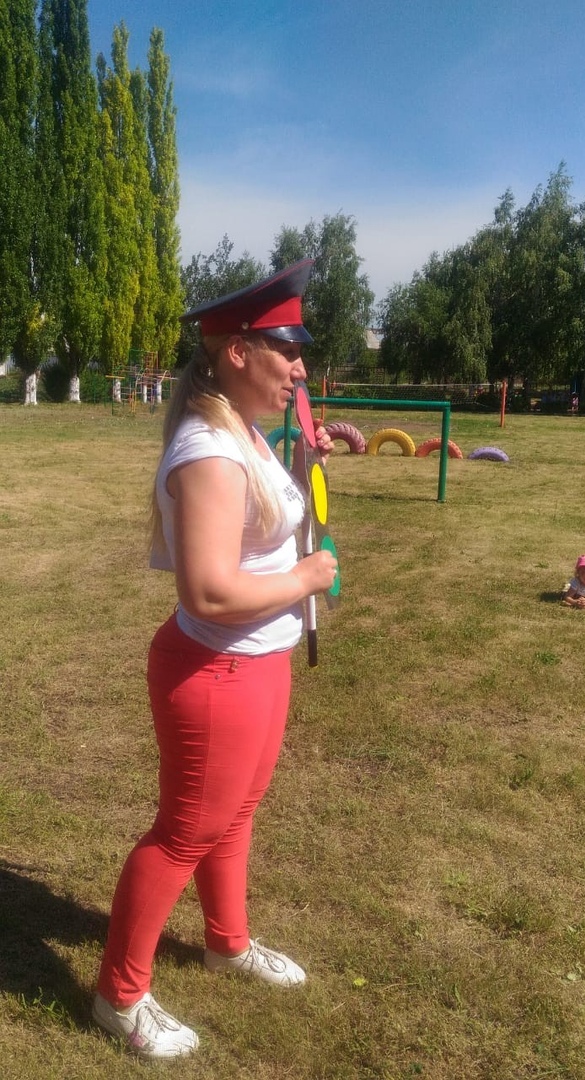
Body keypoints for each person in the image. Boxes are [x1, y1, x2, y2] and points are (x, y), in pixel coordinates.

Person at [92, 260, 338, 1059]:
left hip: (256, 664)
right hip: (214, 673)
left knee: (235, 814)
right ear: (237, 351)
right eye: (287, 351)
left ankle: (226, 944)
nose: (299, 367)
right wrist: (306, 578)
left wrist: (305, 462)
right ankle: (119, 998)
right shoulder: (209, 448)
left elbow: (257, 519)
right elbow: (206, 590)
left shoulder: (241, 430)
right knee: (184, 833)